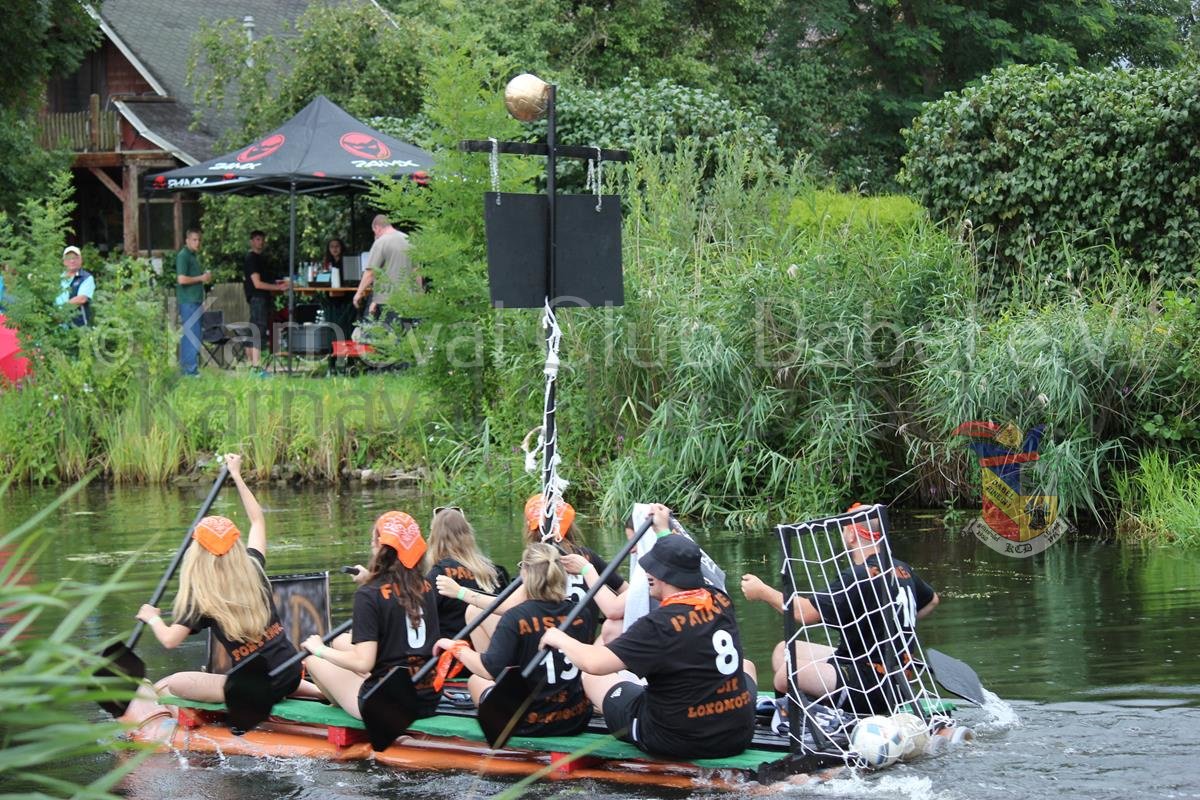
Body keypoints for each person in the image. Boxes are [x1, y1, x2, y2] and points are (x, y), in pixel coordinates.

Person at [541, 506, 758, 760]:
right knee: (746, 665)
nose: (647, 573)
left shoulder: (659, 625)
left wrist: (558, 637)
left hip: (675, 739)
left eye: (652, 569)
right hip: (737, 734)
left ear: (662, 576)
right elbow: (684, 560)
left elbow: (594, 664)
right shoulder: (720, 599)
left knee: (592, 678)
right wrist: (663, 529)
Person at [740, 503, 939, 716]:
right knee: (784, 650)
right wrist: (892, 621)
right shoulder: (901, 568)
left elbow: (804, 613)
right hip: (888, 672)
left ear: (851, 535)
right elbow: (932, 600)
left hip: (871, 685)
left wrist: (762, 591)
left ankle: (790, 724)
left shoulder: (857, 576)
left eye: (844, 529)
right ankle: (819, 706)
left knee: (786, 673)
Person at [135, 454, 301, 705]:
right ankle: (315, 692)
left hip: (257, 689)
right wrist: (236, 475)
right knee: (267, 671)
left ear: (198, 555)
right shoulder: (254, 568)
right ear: (235, 546)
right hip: (292, 671)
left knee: (174, 683)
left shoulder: (202, 598)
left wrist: (153, 618)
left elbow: (169, 640)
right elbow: (257, 519)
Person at [432, 542, 593, 737]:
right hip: (576, 719)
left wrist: (454, 647)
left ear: (526, 574)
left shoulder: (515, 617)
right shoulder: (581, 613)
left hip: (529, 724)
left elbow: (487, 669)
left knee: (476, 680)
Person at [300, 511, 442, 721]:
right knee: (341, 641)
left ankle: (341, 700)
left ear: (378, 543)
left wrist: (319, 649)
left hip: (387, 706)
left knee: (312, 659)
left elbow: (363, 663)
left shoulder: (368, 594)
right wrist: (371, 579)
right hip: (429, 698)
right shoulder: (425, 585)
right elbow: (393, 593)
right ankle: (346, 692)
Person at [424, 506, 509, 643]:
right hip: (491, 648)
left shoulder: (438, 576)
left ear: (434, 539)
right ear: (468, 535)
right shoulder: (495, 572)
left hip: (453, 651)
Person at [352, 214, 418, 323]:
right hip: (408, 298)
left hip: (388, 300)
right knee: (406, 331)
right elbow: (416, 271)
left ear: (377, 227)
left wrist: (358, 293)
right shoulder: (409, 240)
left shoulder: (381, 242)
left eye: (374, 232)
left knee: (391, 331)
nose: (375, 235)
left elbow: (371, 272)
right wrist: (419, 294)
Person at [243, 230, 288, 371]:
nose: (260, 242)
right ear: (251, 241)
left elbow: (266, 280)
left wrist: (278, 284)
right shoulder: (252, 259)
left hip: (262, 297)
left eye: (262, 239)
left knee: (253, 330)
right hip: (258, 297)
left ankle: (251, 366)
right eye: (257, 239)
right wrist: (277, 288)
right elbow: (257, 283)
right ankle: (256, 366)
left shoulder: (261, 259)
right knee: (259, 329)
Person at [175, 228, 210, 376]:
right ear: (187, 240)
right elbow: (181, 279)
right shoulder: (183, 256)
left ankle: (188, 369)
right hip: (188, 301)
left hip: (195, 301)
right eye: (194, 240)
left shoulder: (193, 256)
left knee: (194, 334)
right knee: (192, 335)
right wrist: (201, 278)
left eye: (199, 240)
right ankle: (189, 371)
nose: (197, 243)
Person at [56, 246, 94, 327]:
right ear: (64, 261)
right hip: (56, 325)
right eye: (68, 258)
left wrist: (60, 312)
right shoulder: (57, 278)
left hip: (77, 327)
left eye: (75, 258)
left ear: (81, 260)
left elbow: (81, 299)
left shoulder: (86, 278)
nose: (72, 261)